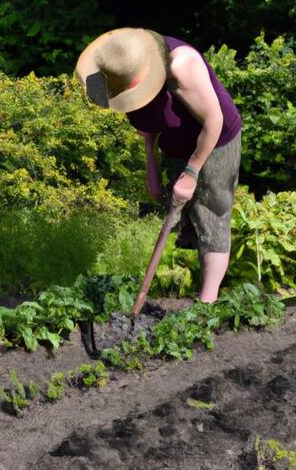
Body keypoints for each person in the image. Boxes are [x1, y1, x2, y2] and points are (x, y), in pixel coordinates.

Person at [75, 28, 242, 303]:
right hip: (176, 141)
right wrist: (150, 161)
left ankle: (206, 306)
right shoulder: (112, 64)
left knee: (212, 215)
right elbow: (149, 123)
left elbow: (215, 121)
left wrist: (191, 173)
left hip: (214, 140)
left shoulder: (181, 65)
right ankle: (185, 285)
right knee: (176, 211)